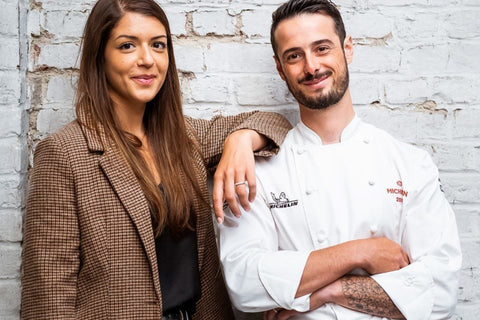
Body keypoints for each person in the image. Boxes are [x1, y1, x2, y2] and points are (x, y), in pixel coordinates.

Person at [21, 0, 292, 319]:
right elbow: (48, 300)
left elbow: (276, 124)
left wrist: (241, 139)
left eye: (158, 45)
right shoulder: (64, 154)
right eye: (127, 46)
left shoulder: (185, 138)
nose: (147, 60)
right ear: (100, 57)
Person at [218, 0, 462, 319]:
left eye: (322, 48)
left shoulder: (410, 163)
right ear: (280, 68)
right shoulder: (258, 172)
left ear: (347, 49)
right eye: (294, 55)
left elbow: (440, 291)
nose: (311, 67)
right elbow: (244, 284)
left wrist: (323, 292)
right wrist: (360, 252)